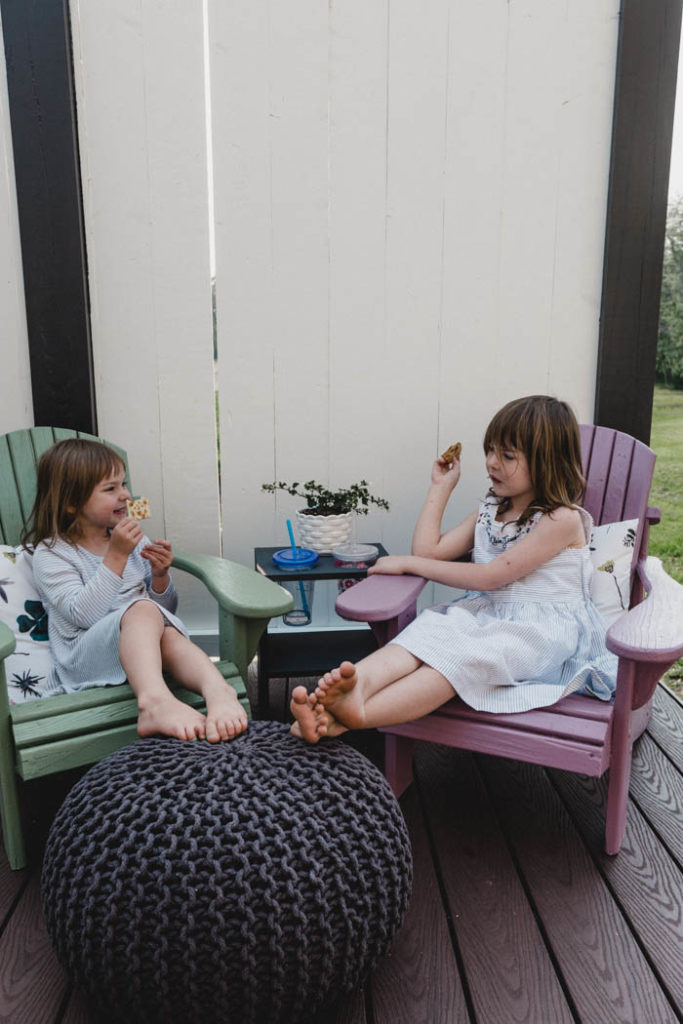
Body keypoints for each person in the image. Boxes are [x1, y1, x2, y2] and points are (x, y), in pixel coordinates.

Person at [290, 395, 618, 744]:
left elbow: (491, 576)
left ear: (546, 462)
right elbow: (429, 550)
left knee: (463, 658)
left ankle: (363, 713)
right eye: (489, 450)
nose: (492, 462)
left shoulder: (561, 520)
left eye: (507, 456)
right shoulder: (492, 509)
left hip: (540, 632)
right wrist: (441, 487)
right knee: (425, 632)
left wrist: (409, 564)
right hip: (486, 615)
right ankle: (345, 698)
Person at [23, 438, 247, 742]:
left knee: (163, 628)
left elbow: (163, 612)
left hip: (141, 647)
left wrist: (159, 578)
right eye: (110, 489)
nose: (126, 495)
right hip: (86, 657)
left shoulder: (129, 538)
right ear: (71, 503)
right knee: (141, 610)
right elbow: (83, 615)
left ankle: (217, 690)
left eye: (124, 484)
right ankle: (154, 702)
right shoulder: (52, 554)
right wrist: (115, 557)